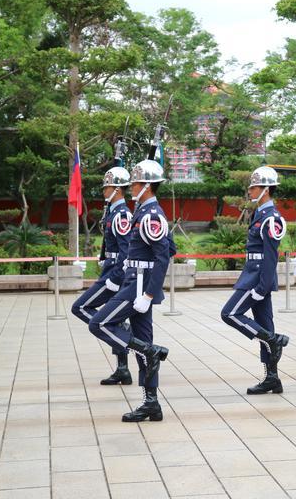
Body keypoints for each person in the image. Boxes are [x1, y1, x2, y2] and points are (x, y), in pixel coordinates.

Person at [89, 159, 175, 422]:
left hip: (138, 287)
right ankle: (151, 403)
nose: (131, 187)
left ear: (147, 186)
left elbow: (164, 256)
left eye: (136, 183)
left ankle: (149, 351)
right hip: (134, 281)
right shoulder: (143, 211)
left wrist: (148, 294)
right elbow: (169, 246)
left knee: (98, 323)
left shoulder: (151, 215)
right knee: (143, 341)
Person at [221, 166, 290, 395]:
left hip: (258, 277)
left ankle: (273, 340)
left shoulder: (271, 218)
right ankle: (272, 377)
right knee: (264, 323)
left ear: (266, 190)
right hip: (253, 273)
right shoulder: (260, 214)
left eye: (254, 187)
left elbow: (271, 257)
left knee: (230, 313)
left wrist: (262, 286)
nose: (250, 190)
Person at [71, 166, 133, 386]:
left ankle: (122, 334)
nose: (104, 190)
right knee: (110, 319)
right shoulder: (113, 212)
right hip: (110, 268)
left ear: (117, 189)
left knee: (80, 307)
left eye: (107, 186)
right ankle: (122, 368)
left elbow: (127, 252)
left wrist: (115, 279)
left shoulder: (122, 215)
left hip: (115, 273)